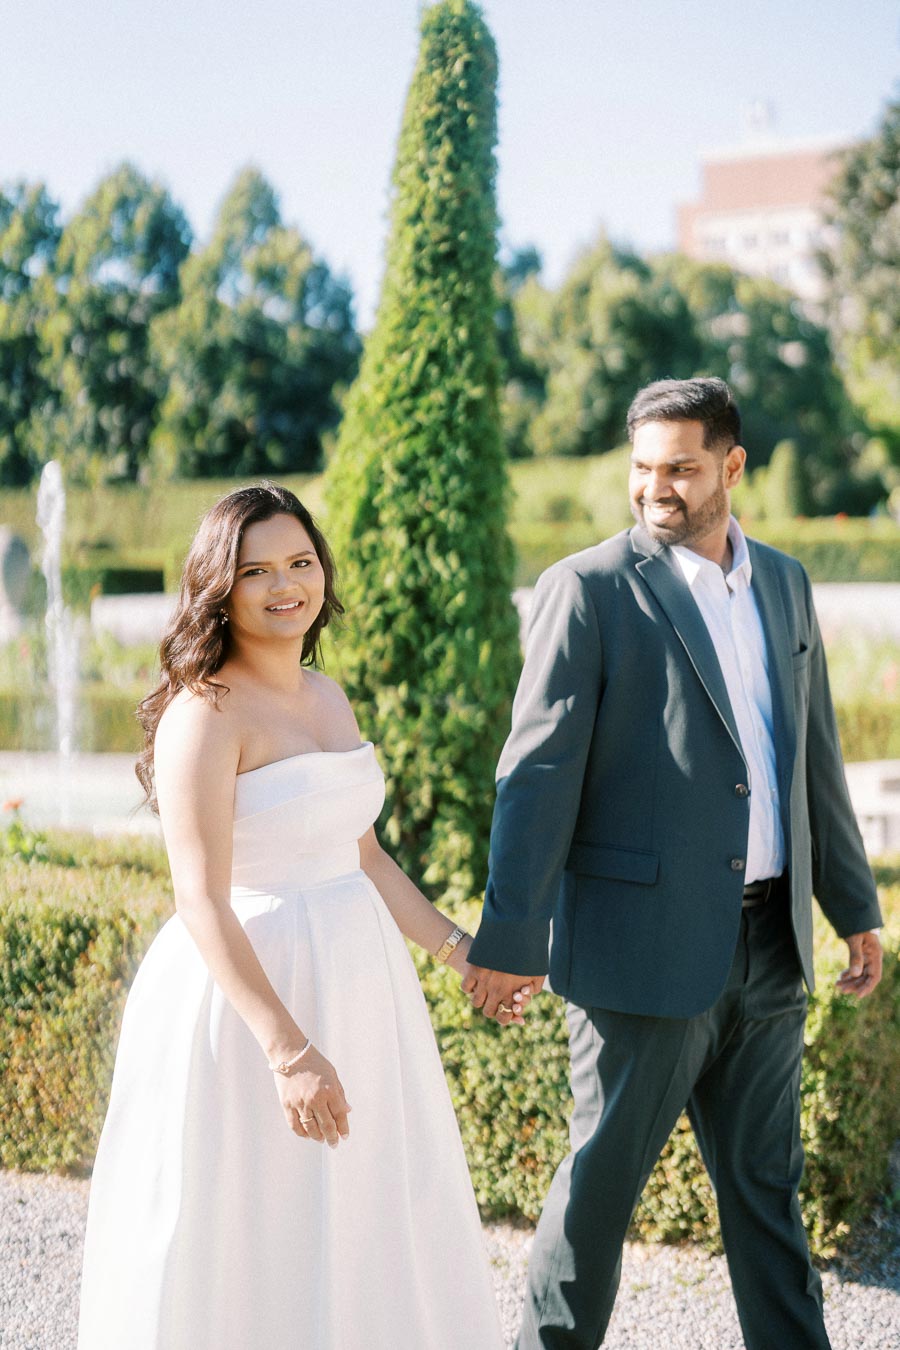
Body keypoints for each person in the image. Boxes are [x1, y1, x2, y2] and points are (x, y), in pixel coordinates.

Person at [462, 377, 884, 1350]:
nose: (658, 487)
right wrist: (511, 936)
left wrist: (851, 903)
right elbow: (538, 772)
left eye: (683, 469)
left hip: (771, 948)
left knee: (769, 1203)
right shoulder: (590, 588)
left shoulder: (784, 583)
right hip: (639, 956)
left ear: (732, 468)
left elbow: (808, 753)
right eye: (644, 468)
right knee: (596, 1205)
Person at [77, 482, 528, 1349]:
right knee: (252, 1223)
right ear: (219, 586)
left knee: (361, 1214)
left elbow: (361, 856)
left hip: (361, 988)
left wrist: (462, 951)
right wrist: (288, 1051)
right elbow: (198, 899)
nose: (286, 585)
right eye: (256, 571)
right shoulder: (202, 716)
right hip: (251, 1003)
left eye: (300, 562)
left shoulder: (328, 697)